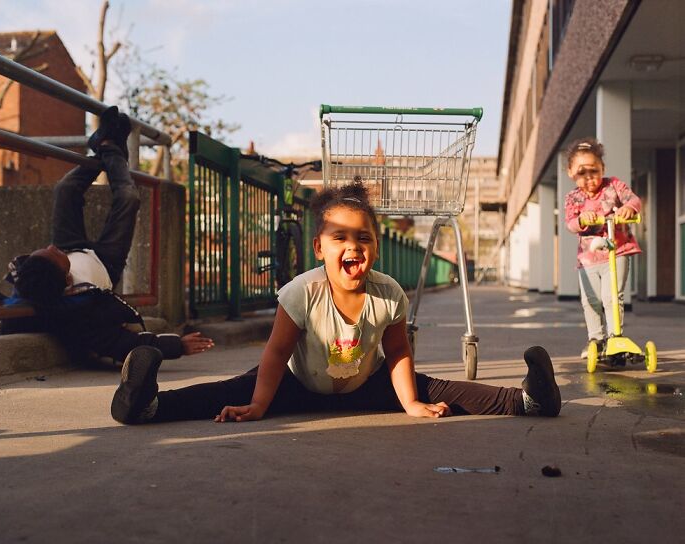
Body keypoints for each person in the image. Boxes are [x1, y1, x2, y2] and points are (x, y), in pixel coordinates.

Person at [111, 180, 561, 425]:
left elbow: (399, 352)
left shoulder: (388, 294)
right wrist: (261, 404)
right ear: (319, 249)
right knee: (229, 393)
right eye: (339, 237)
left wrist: (408, 403)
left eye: (363, 237)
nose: (353, 246)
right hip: (295, 386)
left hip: (364, 385)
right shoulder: (301, 292)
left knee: (439, 390)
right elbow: (276, 353)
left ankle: (528, 401)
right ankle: (146, 405)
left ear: (377, 247)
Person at [0, 105, 213, 363]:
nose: (52, 247)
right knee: (128, 198)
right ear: (68, 282)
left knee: (65, 189)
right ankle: (110, 146)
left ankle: (106, 146)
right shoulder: (81, 317)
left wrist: (61, 251)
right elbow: (124, 343)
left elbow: (7, 317)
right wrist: (176, 346)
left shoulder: (30, 278)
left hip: (72, 243)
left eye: (46, 248)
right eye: (54, 254)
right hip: (105, 262)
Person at [563, 138, 642, 359]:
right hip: (587, 259)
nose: (589, 177)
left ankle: (615, 337)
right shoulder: (573, 198)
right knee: (591, 300)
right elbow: (570, 223)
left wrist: (628, 208)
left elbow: (633, 199)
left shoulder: (614, 185)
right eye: (582, 172)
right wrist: (582, 219)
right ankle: (595, 339)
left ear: (603, 168)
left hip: (617, 251)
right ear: (571, 172)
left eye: (594, 170)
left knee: (611, 297)